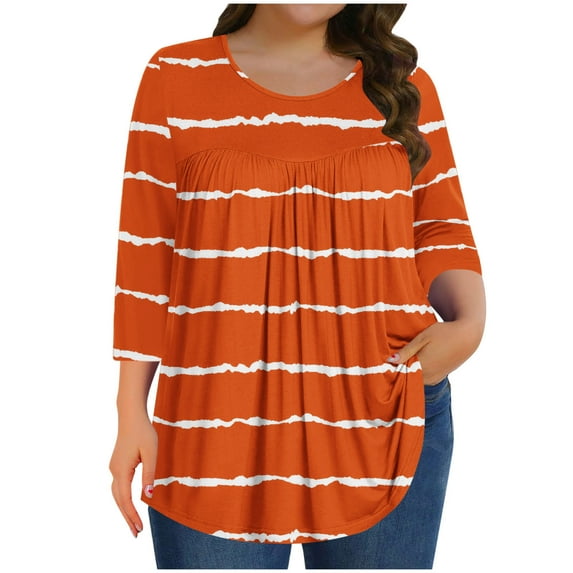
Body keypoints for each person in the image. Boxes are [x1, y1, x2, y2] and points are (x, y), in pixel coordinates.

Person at [109, 3, 486, 569]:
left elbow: (438, 228)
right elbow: (147, 252)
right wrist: (130, 410)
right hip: (214, 423)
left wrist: (469, 325)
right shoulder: (175, 77)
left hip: (383, 410)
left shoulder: (403, 87)